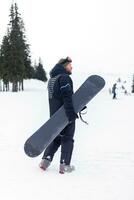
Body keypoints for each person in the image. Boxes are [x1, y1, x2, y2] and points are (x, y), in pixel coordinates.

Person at [39, 57, 78, 174]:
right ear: (65, 66)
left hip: (55, 115)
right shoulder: (64, 77)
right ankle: (65, 165)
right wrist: (71, 113)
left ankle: (45, 161)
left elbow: (57, 97)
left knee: (56, 138)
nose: (72, 67)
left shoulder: (52, 79)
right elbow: (67, 96)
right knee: (67, 138)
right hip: (65, 114)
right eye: (70, 65)